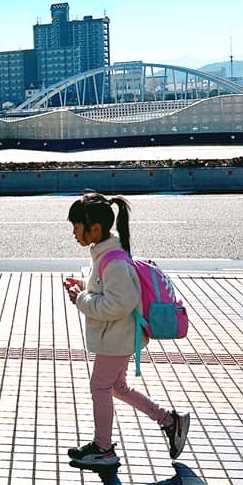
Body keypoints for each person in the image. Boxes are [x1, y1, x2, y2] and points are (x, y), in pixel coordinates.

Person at [62, 191, 189, 468]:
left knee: (100, 387)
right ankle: (170, 421)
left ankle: (104, 448)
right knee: (116, 387)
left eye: (76, 227)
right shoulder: (106, 254)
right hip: (120, 336)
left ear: (95, 229)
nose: (74, 233)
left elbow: (120, 303)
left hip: (117, 338)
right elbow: (111, 292)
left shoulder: (114, 260)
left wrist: (81, 299)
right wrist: (85, 287)